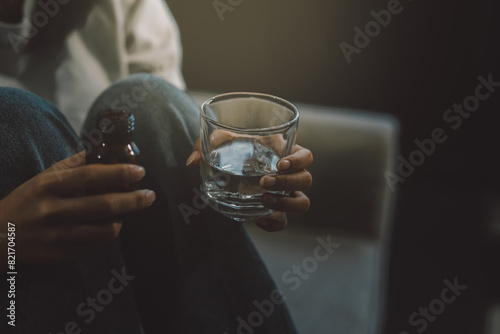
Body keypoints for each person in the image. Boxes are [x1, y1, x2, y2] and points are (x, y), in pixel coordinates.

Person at [0, 1, 313, 333]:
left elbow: (164, 117)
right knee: (14, 118)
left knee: (148, 97)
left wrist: (224, 161)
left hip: (128, 250)